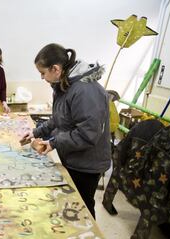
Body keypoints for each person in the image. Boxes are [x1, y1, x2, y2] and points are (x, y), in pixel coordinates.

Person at [19, 43, 111, 219]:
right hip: (73, 155)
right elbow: (59, 118)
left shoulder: (85, 91)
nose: (41, 77)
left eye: (43, 73)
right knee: (71, 203)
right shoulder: (64, 85)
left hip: (87, 164)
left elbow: (87, 133)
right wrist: (36, 132)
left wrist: (54, 143)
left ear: (55, 69)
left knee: (82, 207)